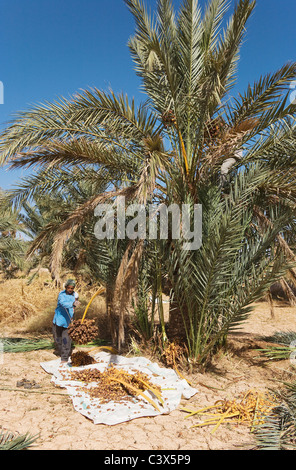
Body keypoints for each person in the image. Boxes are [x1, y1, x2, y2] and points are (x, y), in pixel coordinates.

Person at [52, 279, 80, 365]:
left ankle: (64, 357)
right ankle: (61, 352)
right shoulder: (61, 294)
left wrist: (76, 302)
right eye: (69, 288)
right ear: (66, 287)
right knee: (57, 338)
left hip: (68, 321)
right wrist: (72, 304)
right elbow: (63, 303)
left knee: (66, 340)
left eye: (72, 288)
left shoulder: (75, 295)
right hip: (59, 320)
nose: (70, 289)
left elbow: (75, 304)